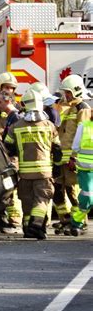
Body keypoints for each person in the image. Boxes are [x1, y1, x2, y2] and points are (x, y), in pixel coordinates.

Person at [4, 89, 62, 239]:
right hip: (44, 172)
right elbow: (57, 149)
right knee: (42, 199)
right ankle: (37, 226)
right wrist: (57, 167)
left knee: (27, 202)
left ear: (24, 105)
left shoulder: (16, 126)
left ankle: (28, 229)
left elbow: (8, 148)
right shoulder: (49, 125)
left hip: (24, 172)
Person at [52, 74, 91, 231]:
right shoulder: (70, 107)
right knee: (60, 188)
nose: (65, 95)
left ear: (76, 91)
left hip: (73, 158)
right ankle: (66, 219)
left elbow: (85, 136)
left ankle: (80, 221)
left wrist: (75, 158)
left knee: (73, 190)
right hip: (63, 156)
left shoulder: (83, 109)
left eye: (68, 92)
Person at [0, 90, 23, 231]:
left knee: (11, 190)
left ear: (8, 101)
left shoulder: (15, 118)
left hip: (14, 159)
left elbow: (14, 142)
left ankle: (14, 221)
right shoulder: (10, 117)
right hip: (9, 158)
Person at [66, 114, 93, 236]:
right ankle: (76, 221)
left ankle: (77, 222)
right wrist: (72, 158)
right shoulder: (84, 126)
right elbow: (75, 147)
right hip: (86, 170)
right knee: (88, 198)